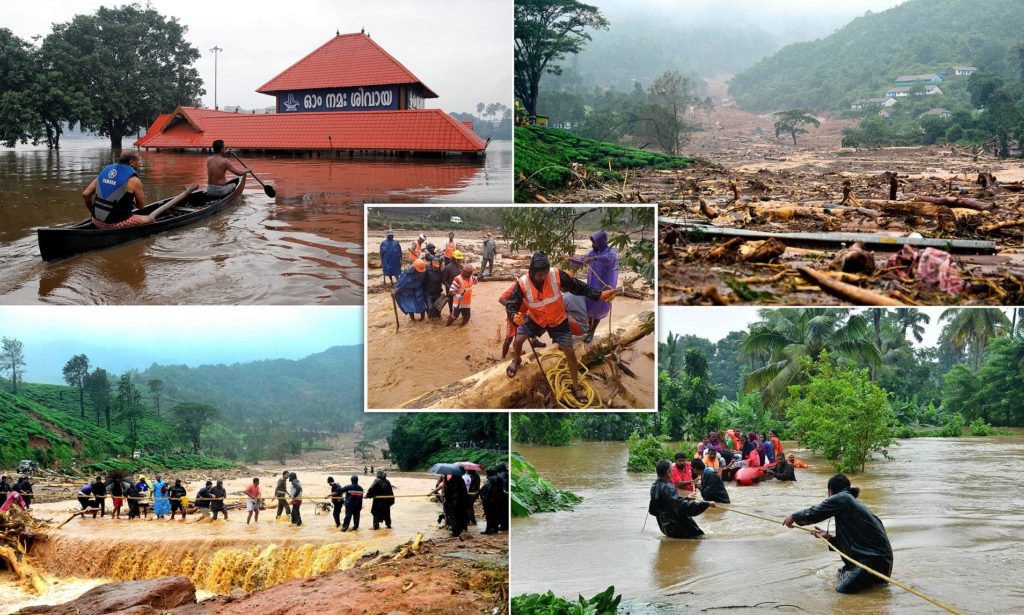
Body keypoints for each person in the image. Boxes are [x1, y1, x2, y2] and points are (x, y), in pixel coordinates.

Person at [504, 252, 617, 404]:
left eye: (544, 274)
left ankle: (576, 387)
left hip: (558, 319)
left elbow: (578, 287)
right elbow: (511, 304)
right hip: (535, 319)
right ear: (531, 271)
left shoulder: (556, 274)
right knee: (517, 342)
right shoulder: (522, 283)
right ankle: (517, 361)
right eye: (539, 275)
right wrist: (513, 316)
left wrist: (599, 295)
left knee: (569, 351)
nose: (543, 278)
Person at [784, 475, 893, 594]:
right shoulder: (849, 503)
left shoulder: (842, 498)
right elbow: (851, 544)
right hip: (881, 563)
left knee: (842, 591)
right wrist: (829, 538)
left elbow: (814, 513)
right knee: (840, 575)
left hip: (873, 562)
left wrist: (793, 517)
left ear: (830, 491)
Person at [567, 230, 619, 343]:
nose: (593, 245)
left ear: (601, 242)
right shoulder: (593, 252)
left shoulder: (611, 252)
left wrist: (595, 259)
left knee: (599, 309)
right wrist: (570, 259)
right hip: (592, 284)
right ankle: (589, 329)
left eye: (594, 242)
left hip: (604, 286)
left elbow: (608, 259)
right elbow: (582, 260)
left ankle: (592, 332)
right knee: (590, 307)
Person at [82, 150, 154, 229]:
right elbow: (140, 207)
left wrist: (93, 213)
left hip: (95, 220)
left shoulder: (105, 171)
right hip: (114, 224)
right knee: (150, 219)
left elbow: (85, 194)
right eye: (138, 160)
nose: (139, 163)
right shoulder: (134, 180)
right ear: (131, 162)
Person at [649, 459, 713, 538]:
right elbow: (682, 507)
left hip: (666, 527)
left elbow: (666, 505)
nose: (673, 472)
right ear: (668, 473)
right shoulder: (669, 487)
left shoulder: (654, 486)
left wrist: (686, 498)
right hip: (679, 528)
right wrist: (706, 504)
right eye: (672, 471)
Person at [498, 282, 545, 358]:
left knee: (520, 338)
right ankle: (503, 358)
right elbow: (501, 299)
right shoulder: (518, 286)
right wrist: (512, 309)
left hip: (525, 317)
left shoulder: (538, 287)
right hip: (514, 317)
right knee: (508, 339)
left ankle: (533, 342)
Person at [478, 467, 505, 535]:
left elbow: (488, 490)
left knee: (489, 515)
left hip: (490, 501)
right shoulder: (500, 479)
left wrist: (484, 498)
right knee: (496, 514)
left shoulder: (490, 479)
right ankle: (495, 529)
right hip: (499, 500)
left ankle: (489, 529)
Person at [443, 473, 470, 537]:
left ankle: (455, 533)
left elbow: (448, 492)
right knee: (459, 517)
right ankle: (459, 530)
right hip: (461, 503)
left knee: (454, 517)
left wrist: (446, 483)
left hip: (454, 503)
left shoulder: (453, 481)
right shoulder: (461, 480)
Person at [442, 250, 464, 316]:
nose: (460, 261)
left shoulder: (461, 267)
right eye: (458, 259)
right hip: (450, 290)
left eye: (460, 259)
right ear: (454, 259)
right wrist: (450, 288)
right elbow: (444, 280)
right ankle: (452, 315)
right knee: (451, 304)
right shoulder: (447, 268)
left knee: (460, 303)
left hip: (459, 289)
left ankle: (458, 314)